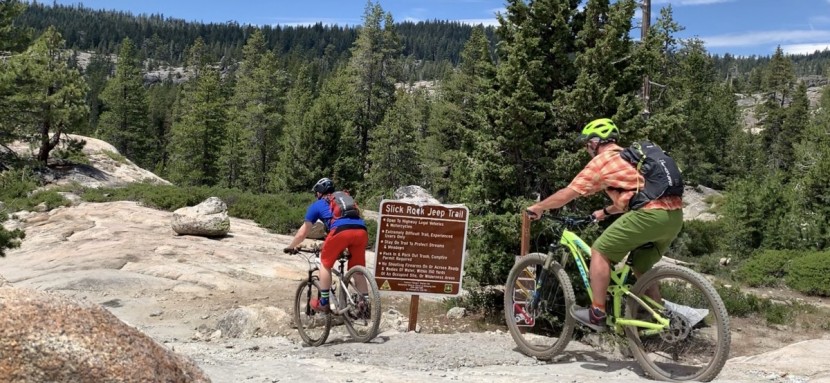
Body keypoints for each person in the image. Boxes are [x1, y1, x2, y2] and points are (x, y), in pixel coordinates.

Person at [525, 118, 683, 331]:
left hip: (650, 215)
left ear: (594, 142)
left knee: (600, 251)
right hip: (673, 218)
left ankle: (597, 313)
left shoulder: (603, 161)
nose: (586, 148)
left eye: (587, 144)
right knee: (641, 266)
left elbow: (567, 194)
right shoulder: (631, 159)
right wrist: (604, 212)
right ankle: (659, 317)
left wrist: (539, 207)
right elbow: (634, 196)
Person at [284, 177, 369, 312]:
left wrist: (291, 246)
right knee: (357, 271)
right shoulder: (344, 199)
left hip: (341, 232)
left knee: (325, 263)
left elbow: (303, 232)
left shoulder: (317, 205)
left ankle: (324, 302)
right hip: (361, 231)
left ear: (319, 192)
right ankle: (365, 305)